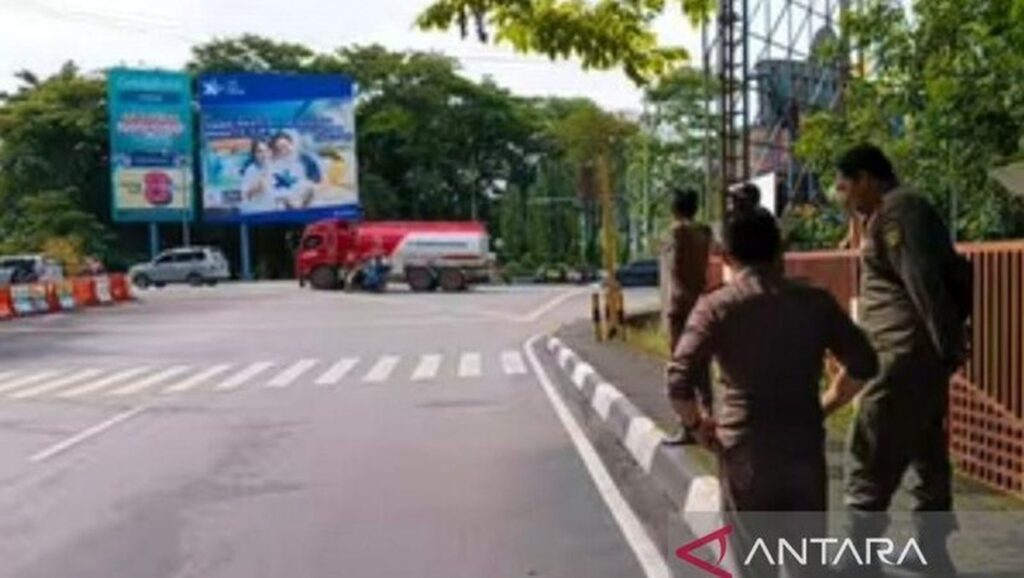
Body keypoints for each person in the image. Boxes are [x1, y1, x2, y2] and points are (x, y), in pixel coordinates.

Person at [667, 208, 879, 578]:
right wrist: (828, 403)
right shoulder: (814, 301)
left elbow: (678, 381)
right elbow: (864, 362)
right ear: (780, 250)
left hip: (745, 453)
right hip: (803, 450)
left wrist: (699, 427)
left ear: (726, 257)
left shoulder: (716, 307)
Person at [836, 144, 967, 576]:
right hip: (918, 357)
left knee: (869, 452)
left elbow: (924, 283)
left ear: (866, 178)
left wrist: (947, 347)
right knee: (926, 455)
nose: (843, 198)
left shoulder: (898, 214)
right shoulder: (896, 212)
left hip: (898, 357)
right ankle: (932, 551)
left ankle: (860, 559)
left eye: (845, 187)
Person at [659, 188, 713, 446]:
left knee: (681, 365)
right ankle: (710, 415)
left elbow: (674, 266)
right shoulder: (705, 232)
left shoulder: (677, 232)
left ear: (675, 208)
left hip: (681, 305)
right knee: (702, 362)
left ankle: (688, 426)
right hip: (701, 301)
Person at [269, 131, 318, 209]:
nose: (284, 151)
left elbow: (316, 183)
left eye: (285, 146)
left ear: (292, 144)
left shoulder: (306, 160)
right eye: (279, 149)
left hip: (303, 199)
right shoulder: (272, 165)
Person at [240, 139, 274, 213]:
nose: (264, 154)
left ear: (270, 152)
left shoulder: (276, 167)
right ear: (254, 154)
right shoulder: (250, 170)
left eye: (266, 150)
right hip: (255, 211)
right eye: (259, 151)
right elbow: (245, 196)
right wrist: (256, 188)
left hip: (272, 211)